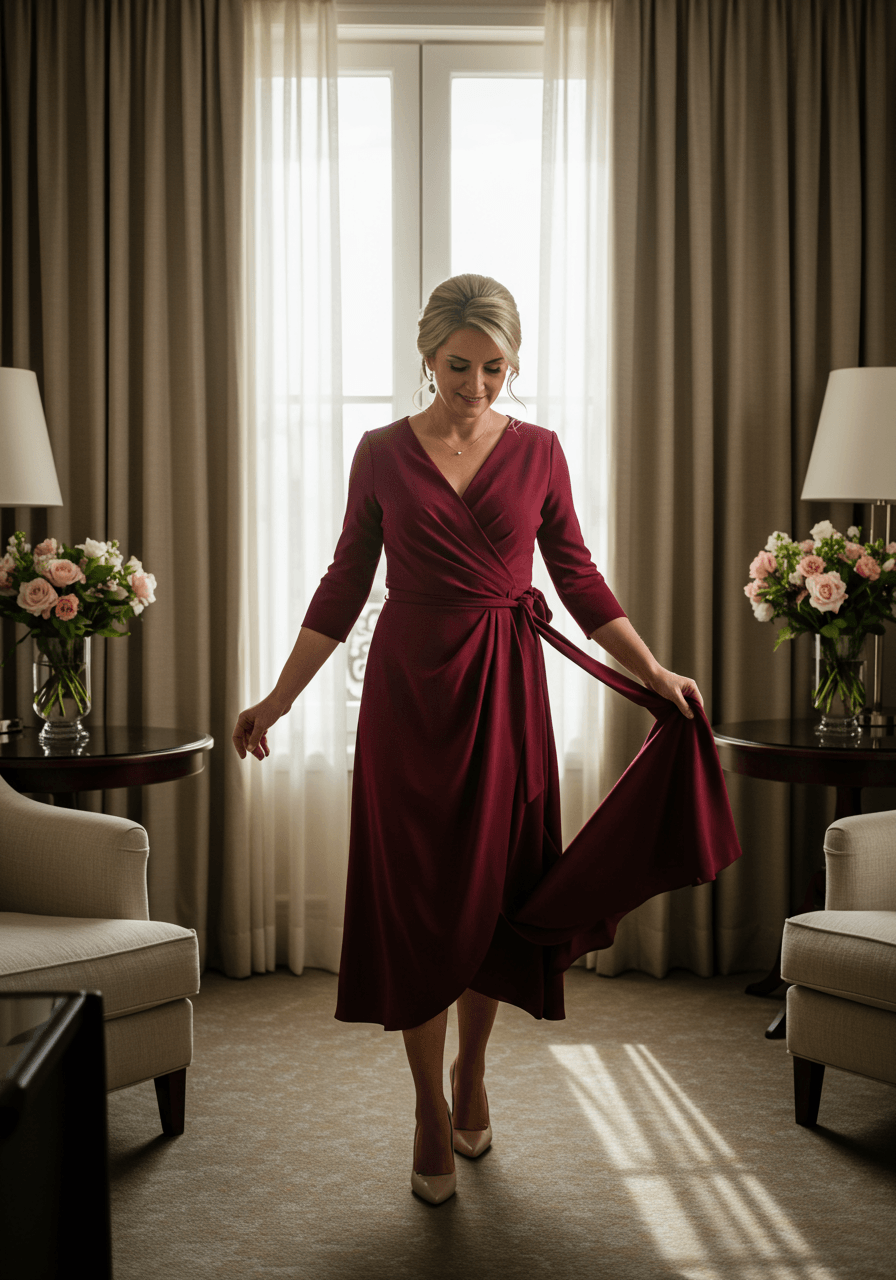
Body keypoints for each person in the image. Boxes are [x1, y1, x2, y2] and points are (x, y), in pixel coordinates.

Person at [233, 274, 724, 1208]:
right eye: (460, 367)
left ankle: (473, 1072)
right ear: (427, 358)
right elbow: (343, 586)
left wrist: (655, 674)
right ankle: (426, 1105)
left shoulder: (539, 451)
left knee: (495, 893)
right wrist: (280, 698)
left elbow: (579, 578)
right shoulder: (380, 453)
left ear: (514, 360)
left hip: (505, 690)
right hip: (408, 697)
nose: (478, 386)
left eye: (496, 368)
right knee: (418, 897)